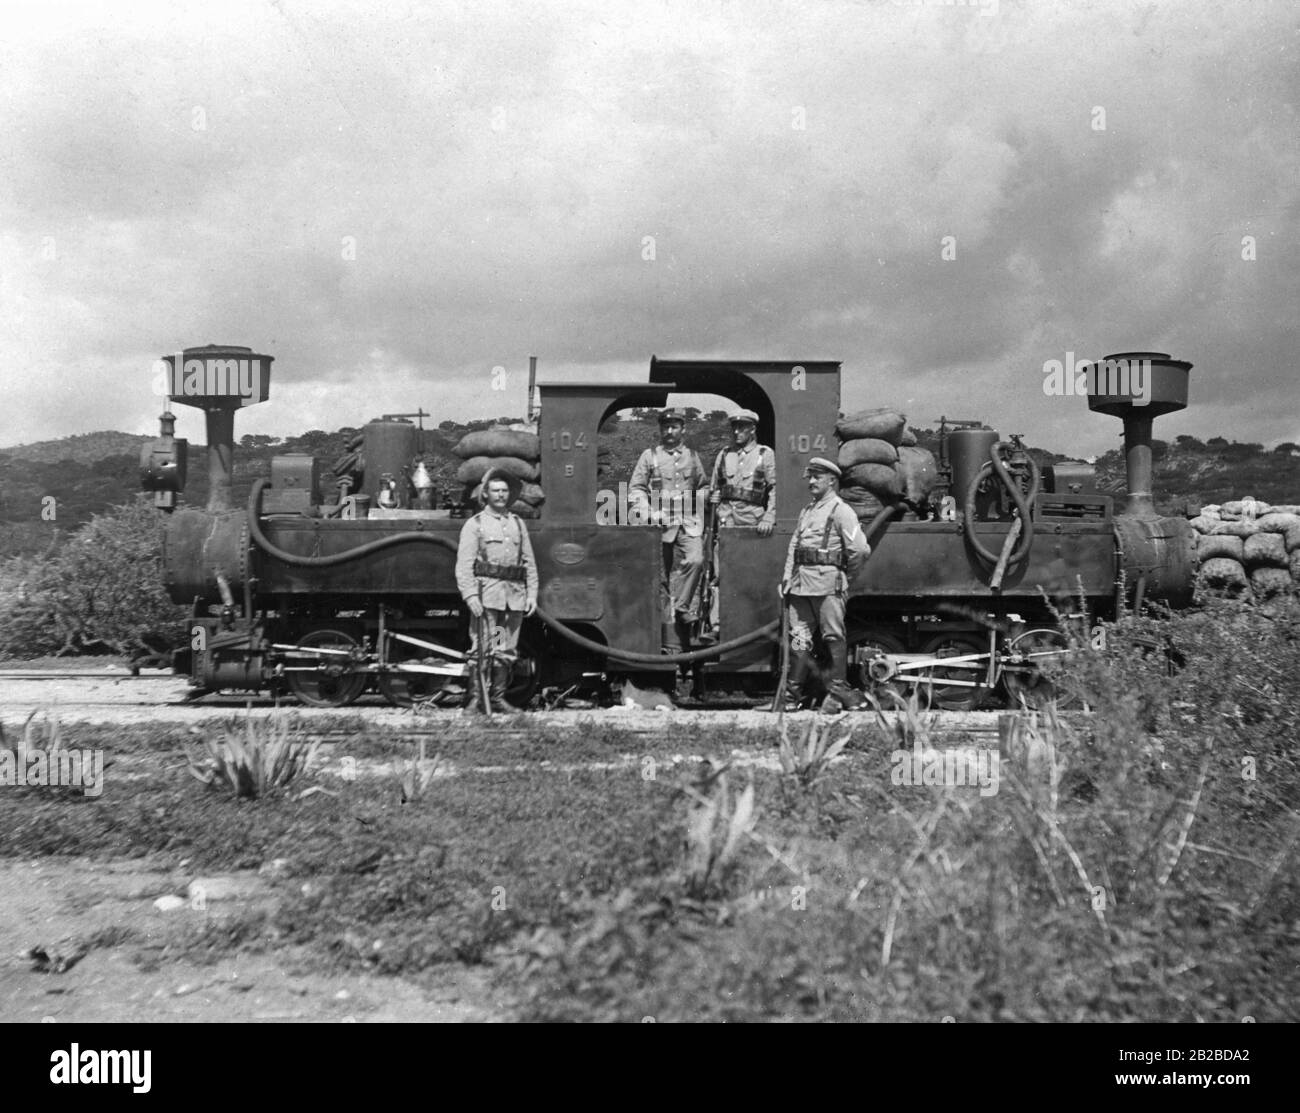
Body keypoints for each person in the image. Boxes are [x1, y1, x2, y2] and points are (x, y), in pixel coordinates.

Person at [778, 457, 871, 713]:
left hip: (828, 585)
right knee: (799, 640)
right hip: (800, 586)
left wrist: (843, 576)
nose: (811, 482)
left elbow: (860, 550)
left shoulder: (841, 510)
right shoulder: (807, 511)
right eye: (810, 477)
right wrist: (787, 577)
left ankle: (838, 693)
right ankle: (792, 696)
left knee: (833, 637)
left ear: (832, 480)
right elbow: (795, 548)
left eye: (816, 477)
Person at [629, 408, 710, 691]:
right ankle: (665, 644)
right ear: (660, 429)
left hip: (688, 522)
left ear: (683, 429)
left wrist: (699, 498)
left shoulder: (693, 456)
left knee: (696, 560)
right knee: (660, 582)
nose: (670, 431)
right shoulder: (649, 456)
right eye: (666, 426)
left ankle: (684, 605)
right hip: (660, 524)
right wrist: (650, 513)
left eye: (675, 426)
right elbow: (635, 489)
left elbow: (703, 485)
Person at [455, 469, 539, 712]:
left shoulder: (517, 524)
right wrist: (470, 595)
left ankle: (497, 698)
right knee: (482, 647)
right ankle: (474, 699)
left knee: (503, 648)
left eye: (504, 491)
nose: (501, 495)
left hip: (511, 600)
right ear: (486, 494)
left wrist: (532, 593)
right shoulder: (476, 524)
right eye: (496, 491)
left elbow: (528, 562)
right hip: (487, 599)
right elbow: (464, 565)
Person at [702, 409, 776, 639]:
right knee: (720, 576)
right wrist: (710, 497)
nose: (736, 432)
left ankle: (749, 625)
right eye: (734, 427)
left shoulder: (765, 454)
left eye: (742, 427)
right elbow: (712, 487)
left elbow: (775, 488)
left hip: (752, 525)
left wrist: (769, 516)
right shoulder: (724, 454)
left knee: (750, 575)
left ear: (752, 429)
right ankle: (717, 626)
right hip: (725, 522)